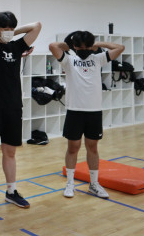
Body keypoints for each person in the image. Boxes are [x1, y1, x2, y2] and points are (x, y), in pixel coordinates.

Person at [0, 12, 41, 214]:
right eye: (5, 28)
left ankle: (11, 191)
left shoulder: (17, 46)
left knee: (10, 152)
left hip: (13, 106)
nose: (9, 32)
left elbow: (37, 25)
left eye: (12, 28)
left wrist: (12, 32)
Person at [49, 31, 124, 199]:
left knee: (93, 147)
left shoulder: (98, 59)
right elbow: (52, 46)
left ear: (91, 47)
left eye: (86, 47)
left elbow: (120, 47)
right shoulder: (69, 60)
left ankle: (94, 184)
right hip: (74, 111)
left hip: (94, 111)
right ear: (75, 47)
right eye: (80, 47)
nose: (83, 50)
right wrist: (71, 46)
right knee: (73, 147)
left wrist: (97, 44)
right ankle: (70, 183)